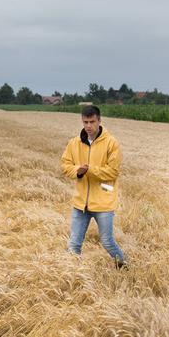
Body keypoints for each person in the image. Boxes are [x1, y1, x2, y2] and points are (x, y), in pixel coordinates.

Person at [60, 105, 127, 269]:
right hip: (80, 203)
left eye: (92, 122)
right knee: (74, 244)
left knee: (107, 242)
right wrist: (78, 171)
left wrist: (89, 170)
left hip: (103, 203)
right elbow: (65, 165)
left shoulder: (111, 143)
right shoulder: (74, 143)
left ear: (99, 121)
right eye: (85, 122)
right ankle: (74, 276)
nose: (88, 126)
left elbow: (112, 172)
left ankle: (124, 267)